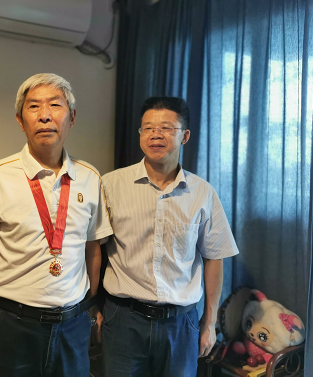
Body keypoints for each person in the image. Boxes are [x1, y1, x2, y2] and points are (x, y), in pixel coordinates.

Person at [0, 73, 113, 377]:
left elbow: (93, 249)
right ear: (21, 120)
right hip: (11, 324)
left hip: (73, 326)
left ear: (72, 118)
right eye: (34, 107)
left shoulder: (90, 177)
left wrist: (89, 307)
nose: (45, 115)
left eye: (55, 105)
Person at [98, 96, 239, 377]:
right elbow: (93, 250)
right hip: (123, 318)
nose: (156, 134)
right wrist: (94, 310)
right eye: (148, 128)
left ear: (185, 136)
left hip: (180, 323)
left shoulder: (202, 192)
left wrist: (209, 322)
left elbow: (214, 258)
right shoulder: (111, 185)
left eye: (166, 128)